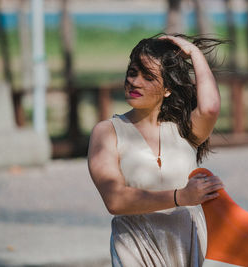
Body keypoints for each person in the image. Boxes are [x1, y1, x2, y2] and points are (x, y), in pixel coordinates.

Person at [88, 34, 225, 266]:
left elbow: (210, 107)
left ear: (168, 89)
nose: (135, 82)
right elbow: (115, 200)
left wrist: (194, 52)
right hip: (134, 246)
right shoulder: (107, 132)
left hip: (185, 247)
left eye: (148, 77)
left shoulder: (185, 130)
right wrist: (180, 197)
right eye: (132, 72)